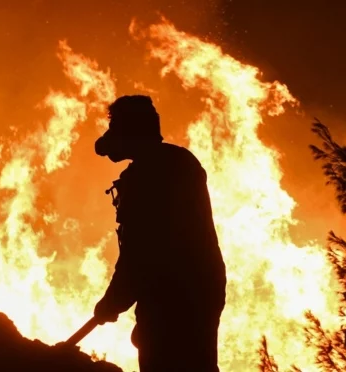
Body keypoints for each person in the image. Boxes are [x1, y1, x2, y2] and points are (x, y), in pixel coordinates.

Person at [93, 95, 227, 372]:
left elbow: (142, 253)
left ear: (131, 131)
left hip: (172, 295)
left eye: (117, 127)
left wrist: (113, 302)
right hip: (202, 287)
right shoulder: (180, 162)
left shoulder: (147, 176)